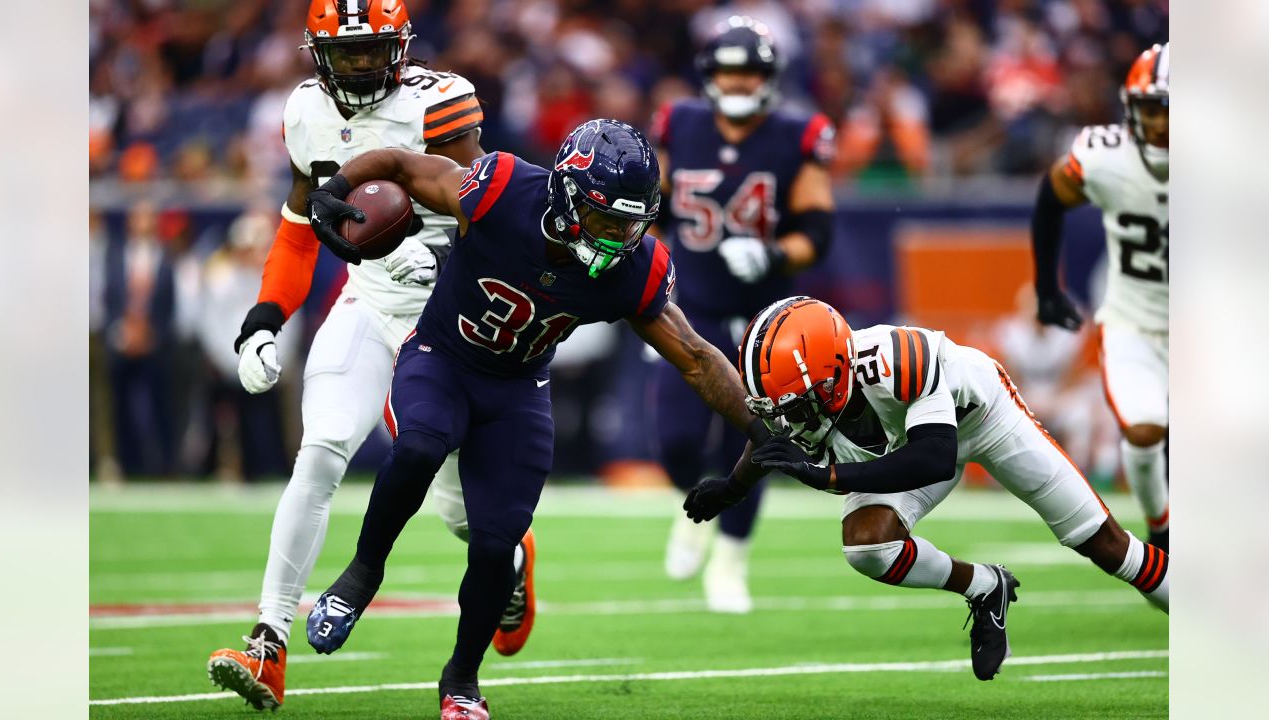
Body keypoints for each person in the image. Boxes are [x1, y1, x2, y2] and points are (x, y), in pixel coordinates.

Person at [301, 119, 769, 720]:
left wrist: (761, 430)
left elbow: (699, 360)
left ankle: (461, 681)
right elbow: (398, 164)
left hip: (517, 390)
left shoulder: (629, 268)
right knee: (418, 448)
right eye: (608, 220)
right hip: (442, 357)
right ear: (571, 196)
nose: (621, 236)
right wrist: (335, 186)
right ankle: (361, 576)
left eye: (633, 221)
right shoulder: (500, 189)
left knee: (496, 546)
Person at [207, 1, 538, 712]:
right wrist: (264, 319)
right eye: (347, 51)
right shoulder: (302, 111)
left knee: (463, 514)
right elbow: (298, 230)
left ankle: (511, 559)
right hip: (368, 303)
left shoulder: (440, 104)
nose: (361, 63)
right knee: (320, 448)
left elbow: (488, 208)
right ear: (317, 53)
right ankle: (268, 642)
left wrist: (443, 250)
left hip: (450, 321)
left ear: (401, 47)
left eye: (373, 49)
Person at [685, 297, 1170, 682]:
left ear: (834, 376)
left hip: (981, 420)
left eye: (796, 402)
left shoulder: (897, 361)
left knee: (1106, 545)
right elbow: (772, 439)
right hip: (907, 443)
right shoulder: (817, 390)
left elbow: (933, 457)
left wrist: (831, 477)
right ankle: (985, 586)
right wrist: (731, 489)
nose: (787, 416)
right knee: (868, 546)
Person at [649, 15, 835, 613]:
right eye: (728, 71)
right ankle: (697, 510)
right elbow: (648, 209)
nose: (737, 82)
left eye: (748, 71)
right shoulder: (679, 123)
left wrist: (776, 251)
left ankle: (730, 560)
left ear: (770, 77)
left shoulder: (797, 133)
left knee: (754, 439)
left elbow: (818, 229)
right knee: (676, 440)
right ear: (710, 77)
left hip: (768, 317)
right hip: (690, 305)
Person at [1030, 43, 1170, 551]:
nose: (1160, 124)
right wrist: (1047, 287)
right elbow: (1050, 198)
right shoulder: (1105, 155)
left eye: (1173, 112)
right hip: (1134, 322)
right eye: (1152, 108)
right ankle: (1164, 531)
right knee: (1144, 430)